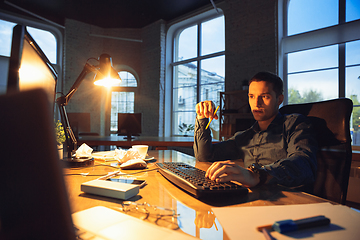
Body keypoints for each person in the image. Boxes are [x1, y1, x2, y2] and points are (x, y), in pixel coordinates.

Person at [193, 71, 318, 188]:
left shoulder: (295, 124)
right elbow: (204, 156)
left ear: (279, 99)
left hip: (289, 200)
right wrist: (202, 118)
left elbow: (304, 162)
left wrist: (257, 174)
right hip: (252, 198)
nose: (256, 103)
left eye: (265, 96)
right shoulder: (244, 137)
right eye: (251, 96)